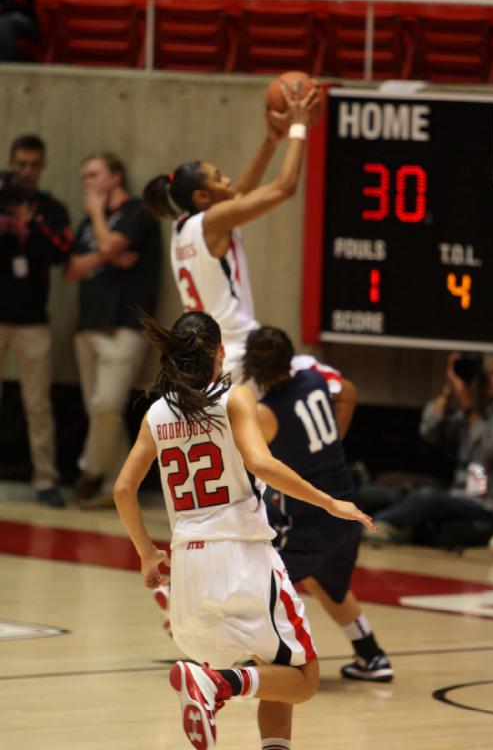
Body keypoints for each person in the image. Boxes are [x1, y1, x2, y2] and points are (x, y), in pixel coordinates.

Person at [113, 310, 374, 750]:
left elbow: (124, 488)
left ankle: (224, 688)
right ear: (219, 354)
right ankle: (217, 684)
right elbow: (261, 464)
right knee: (304, 679)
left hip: (189, 567)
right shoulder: (233, 399)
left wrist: (146, 554)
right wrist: (329, 501)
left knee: (273, 666)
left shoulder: (156, 414)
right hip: (241, 556)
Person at [243, 325, 393, 683]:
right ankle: (371, 655)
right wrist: (329, 445)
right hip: (346, 513)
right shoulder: (315, 378)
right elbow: (350, 392)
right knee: (329, 583)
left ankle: (272, 662)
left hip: (309, 521)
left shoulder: (266, 414)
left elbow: (254, 460)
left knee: (262, 583)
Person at [143, 81, 319, 383]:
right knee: (337, 391)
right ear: (202, 197)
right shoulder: (212, 222)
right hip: (239, 355)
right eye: (217, 177)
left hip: (214, 355)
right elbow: (285, 187)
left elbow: (236, 196)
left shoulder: (184, 227)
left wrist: (270, 140)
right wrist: (298, 128)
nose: (227, 179)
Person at [64, 152, 161, 509]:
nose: (87, 183)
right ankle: (115, 485)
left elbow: (110, 246)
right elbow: (71, 270)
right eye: (83, 177)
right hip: (87, 324)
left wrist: (99, 226)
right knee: (101, 412)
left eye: (93, 175)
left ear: (115, 177)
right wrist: (108, 255)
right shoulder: (90, 222)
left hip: (124, 325)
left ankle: (88, 471)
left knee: (106, 404)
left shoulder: (137, 211)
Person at [369, 352, 493, 548]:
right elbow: (429, 432)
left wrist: (468, 405)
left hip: (489, 502)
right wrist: (449, 389)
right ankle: (384, 525)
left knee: (428, 497)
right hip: (459, 494)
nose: (486, 378)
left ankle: (368, 525)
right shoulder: (474, 410)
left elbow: (487, 450)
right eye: (483, 373)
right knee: (396, 492)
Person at [0, 135, 72, 507]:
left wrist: (31, 228)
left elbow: (63, 253)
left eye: (33, 165)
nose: (26, 172)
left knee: (37, 404)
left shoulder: (50, 208)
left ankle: (45, 479)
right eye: (20, 164)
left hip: (32, 320)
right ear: (11, 163)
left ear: (42, 166)